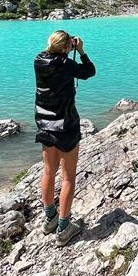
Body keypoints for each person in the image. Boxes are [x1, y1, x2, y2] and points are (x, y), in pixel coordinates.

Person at [34, 30, 96, 246]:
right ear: (65, 48)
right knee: (68, 177)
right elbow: (89, 71)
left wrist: (67, 48)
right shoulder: (66, 64)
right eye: (69, 43)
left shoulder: (39, 60)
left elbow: (56, 61)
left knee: (49, 173)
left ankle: (49, 219)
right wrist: (81, 51)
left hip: (44, 123)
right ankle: (63, 228)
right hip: (66, 126)